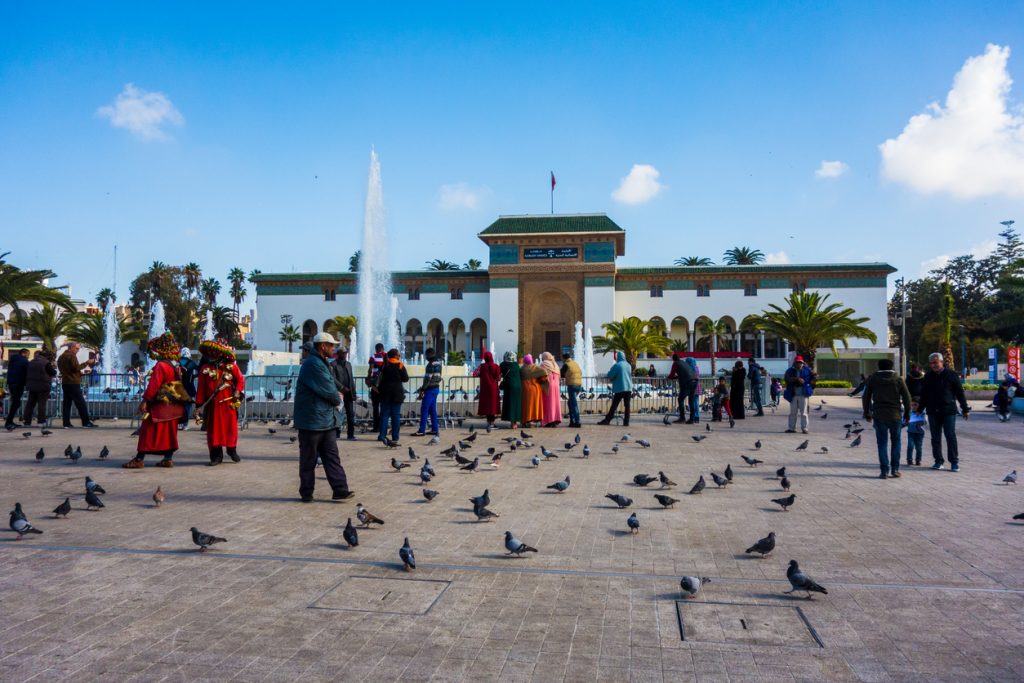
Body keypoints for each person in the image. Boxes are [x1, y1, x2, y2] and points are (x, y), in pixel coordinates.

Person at [294, 332, 352, 502]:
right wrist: (338, 397)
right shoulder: (313, 364)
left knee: (332, 456)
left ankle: (340, 489)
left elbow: (332, 383)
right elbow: (328, 389)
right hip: (312, 421)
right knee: (308, 459)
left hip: (324, 420)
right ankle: (307, 492)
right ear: (323, 346)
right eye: (331, 345)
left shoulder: (321, 362)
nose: (334, 348)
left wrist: (340, 392)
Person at [124, 333, 190, 468]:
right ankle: (168, 458)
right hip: (174, 405)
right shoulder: (175, 365)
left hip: (160, 406)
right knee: (170, 433)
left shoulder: (161, 366)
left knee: (147, 430)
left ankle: (139, 459)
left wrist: (145, 401)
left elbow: (154, 385)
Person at [917, 352, 970, 472]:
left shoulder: (951, 375)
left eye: (935, 362)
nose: (933, 365)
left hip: (948, 410)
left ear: (941, 362)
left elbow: (959, 393)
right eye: (931, 363)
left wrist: (965, 409)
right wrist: (920, 409)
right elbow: (924, 394)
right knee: (935, 437)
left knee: (950, 435)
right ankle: (938, 461)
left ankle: (954, 462)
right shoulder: (928, 376)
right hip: (932, 411)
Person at [195, 338, 245, 465]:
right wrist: (198, 405)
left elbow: (240, 380)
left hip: (228, 404)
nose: (211, 355)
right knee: (213, 431)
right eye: (210, 352)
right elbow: (201, 389)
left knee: (230, 429)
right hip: (212, 406)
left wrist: (237, 392)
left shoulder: (230, 367)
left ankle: (231, 450)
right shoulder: (204, 369)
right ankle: (216, 456)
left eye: (214, 352)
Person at [862, 358, 912, 479]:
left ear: (879, 367)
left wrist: (867, 413)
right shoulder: (898, 379)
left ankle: (884, 471)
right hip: (895, 415)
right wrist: (907, 414)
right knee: (896, 442)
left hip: (879, 415)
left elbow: (866, 397)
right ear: (892, 366)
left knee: (882, 443)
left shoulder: (873, 378)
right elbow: (907, 398)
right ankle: (895, 470)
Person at [57, 342, 97, 428]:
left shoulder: (61, 357)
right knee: (81, 403)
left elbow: (68, 369)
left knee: (67, 404)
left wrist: (77, 373)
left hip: (65, 382)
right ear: (71, 348)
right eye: (77, 348)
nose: (78, 350)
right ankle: (86, 422)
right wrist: (87, 362)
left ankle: (66, 423)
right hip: (73, 383)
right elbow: (75, 368)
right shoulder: (71, 356)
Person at [377, 348, 409, 445]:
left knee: (384, 415)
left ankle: (382, 436)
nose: (399, 356)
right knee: (396, 416)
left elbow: (380, 376)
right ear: (395, 355)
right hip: (397, 393)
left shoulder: (384, 364)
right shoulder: (400, 365)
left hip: (385, 392)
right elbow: (405, 379)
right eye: (398, 355)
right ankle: (395, 436)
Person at [597, 351, 633, 426]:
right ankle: (626, 422)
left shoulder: (617, 365)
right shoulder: (628, 365)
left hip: (620, 388)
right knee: (627, 405)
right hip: (628, 388)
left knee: (614, 405)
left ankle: (607, 420)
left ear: (618, 357)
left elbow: (610, 375)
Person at [413, 348, 442, 436]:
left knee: (424, 409)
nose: (426, 357)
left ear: (429, 355)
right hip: (436, 388)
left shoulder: (430, 365)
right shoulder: (439, 363)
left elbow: (427, 379)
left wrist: (422, 389)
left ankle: (421, 430)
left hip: (430, 389)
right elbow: (439, 377)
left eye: (426, 355)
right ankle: (434, 429)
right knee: (432, 409)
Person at [22, 350, 57, 426]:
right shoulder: (45, 363)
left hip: (32, 386)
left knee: (30, 403)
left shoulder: (31, 362)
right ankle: (41, 421)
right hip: (43, 386)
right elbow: (53, 372)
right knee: (42, 404)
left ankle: (27, 421)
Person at [330, 347, 357, 440]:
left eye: (346, 352)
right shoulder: (333, 364)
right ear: (338, 353)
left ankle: (350, 434)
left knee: (350, 414)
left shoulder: (349, 364)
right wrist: (341, 388)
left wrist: (354, 392)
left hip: (348, 393)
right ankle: (337, 434)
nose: (345, 354)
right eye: (343, 353)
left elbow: (351, 379)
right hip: (339, 393)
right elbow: (332, 379)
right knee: (337, 414)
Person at [783, 355, 815, 434]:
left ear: (802, 363)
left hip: (803, 395)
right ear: (794, 363)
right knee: (793, 413)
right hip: (793, 395)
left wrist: (811, 384)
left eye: (800, 362)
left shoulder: (807, 370)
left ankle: (805, 428)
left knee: (804, 413)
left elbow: (813, 379)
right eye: (797, 362)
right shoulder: (790, 371)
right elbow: (786, 379)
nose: (798, 364)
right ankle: (791, 428)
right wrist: (796, 379)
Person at [4, 348, 29, 430]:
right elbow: (27, 371)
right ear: (24, 353)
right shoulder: (24, 361)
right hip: (19, 383)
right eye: (28, 354)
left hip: (11, 383)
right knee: (16, 403)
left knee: (15, 402)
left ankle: (9, 420)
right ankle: (9, 421)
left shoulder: (13, 360)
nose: (28, 356)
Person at [667, 353, 695, 423]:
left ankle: (682, 418)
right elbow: (683, 373)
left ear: (673, 359)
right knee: (691, 401)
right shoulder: (683, 362)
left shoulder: (675, 363)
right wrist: (676, 377)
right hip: (694, 381)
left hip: (687, 383)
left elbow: (671, 375)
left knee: (680, 399)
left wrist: (668, 378)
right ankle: (692, 419)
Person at [519, 354, 546, 426]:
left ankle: (526, 421)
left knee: (527, 406)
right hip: (536, 389)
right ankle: (534, 419)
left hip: (526, 389)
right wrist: (540, 380)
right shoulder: (536, 367)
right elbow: (544, 373)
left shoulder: (522, 369)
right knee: (534, 405)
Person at [365, 343, 386, 431]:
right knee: (384, 406)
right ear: (383, 348)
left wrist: (368, 378)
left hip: (375, 385)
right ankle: (383, 426)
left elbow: (370, 369)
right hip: (384, 384)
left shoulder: (373, 357)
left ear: (376, 349)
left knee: (375, 406)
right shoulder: (386, 356)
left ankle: (376, 426)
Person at [477, 351, 501, 425]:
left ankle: (488, 422)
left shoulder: (482, 366)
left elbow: (478, 374)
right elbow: (498, 378)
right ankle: (492, 422)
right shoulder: (496, 366)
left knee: (487, 405)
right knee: (493, 405)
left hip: (485, 389)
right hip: (493, 388)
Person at [499, 352, 522, 428]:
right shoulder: (516, 365)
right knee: (516, 404)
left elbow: (499, 376)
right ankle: (515, 423)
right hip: (518, 386)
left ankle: (512, 423)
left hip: (509, 386)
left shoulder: (503, 365)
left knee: (510, 404)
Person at [561, 352, 583, 428]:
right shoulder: (575, 363)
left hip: (572, 385)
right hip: (579, 385)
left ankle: (577, 421)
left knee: (574, 404)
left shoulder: (566, 365)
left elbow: (561, 373)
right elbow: (580, 372)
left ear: (564, 358)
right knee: (570, 402)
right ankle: (572, 421)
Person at [178, 347, 198, 430]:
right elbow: (201, 370)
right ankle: (185, 425)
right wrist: (193, 376)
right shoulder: (192, 363)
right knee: (188, 406)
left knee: (179, 405)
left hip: (178, 386)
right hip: (189, 387)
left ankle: (178, 424)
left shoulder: (177, 362)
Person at [540, 351, 562, 427]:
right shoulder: (555, 364)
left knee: (549, 403)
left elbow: (541, 374)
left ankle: (549, 420)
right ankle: (555, 419)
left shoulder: (544, 364)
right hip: (556, 386)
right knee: (555, 403)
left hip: (548, 386)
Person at [906, 402, 926, 467]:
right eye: (912, 405)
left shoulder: (923, 413)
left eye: (915, 405)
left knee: (918, 447)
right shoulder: (909, 413)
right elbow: (904, 422)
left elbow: (925, 422)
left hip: (919, 434)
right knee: (910, 446)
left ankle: (918, 460)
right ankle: (909, 459)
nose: (913, 406)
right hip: (911, 432)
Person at [686, 357, 701, 423]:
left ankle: (694, 415)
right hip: (697, 386)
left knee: (692, 402)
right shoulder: (696, 367)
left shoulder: (690, 368)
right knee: (696, 402)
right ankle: (697, 416)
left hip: (692, 386)